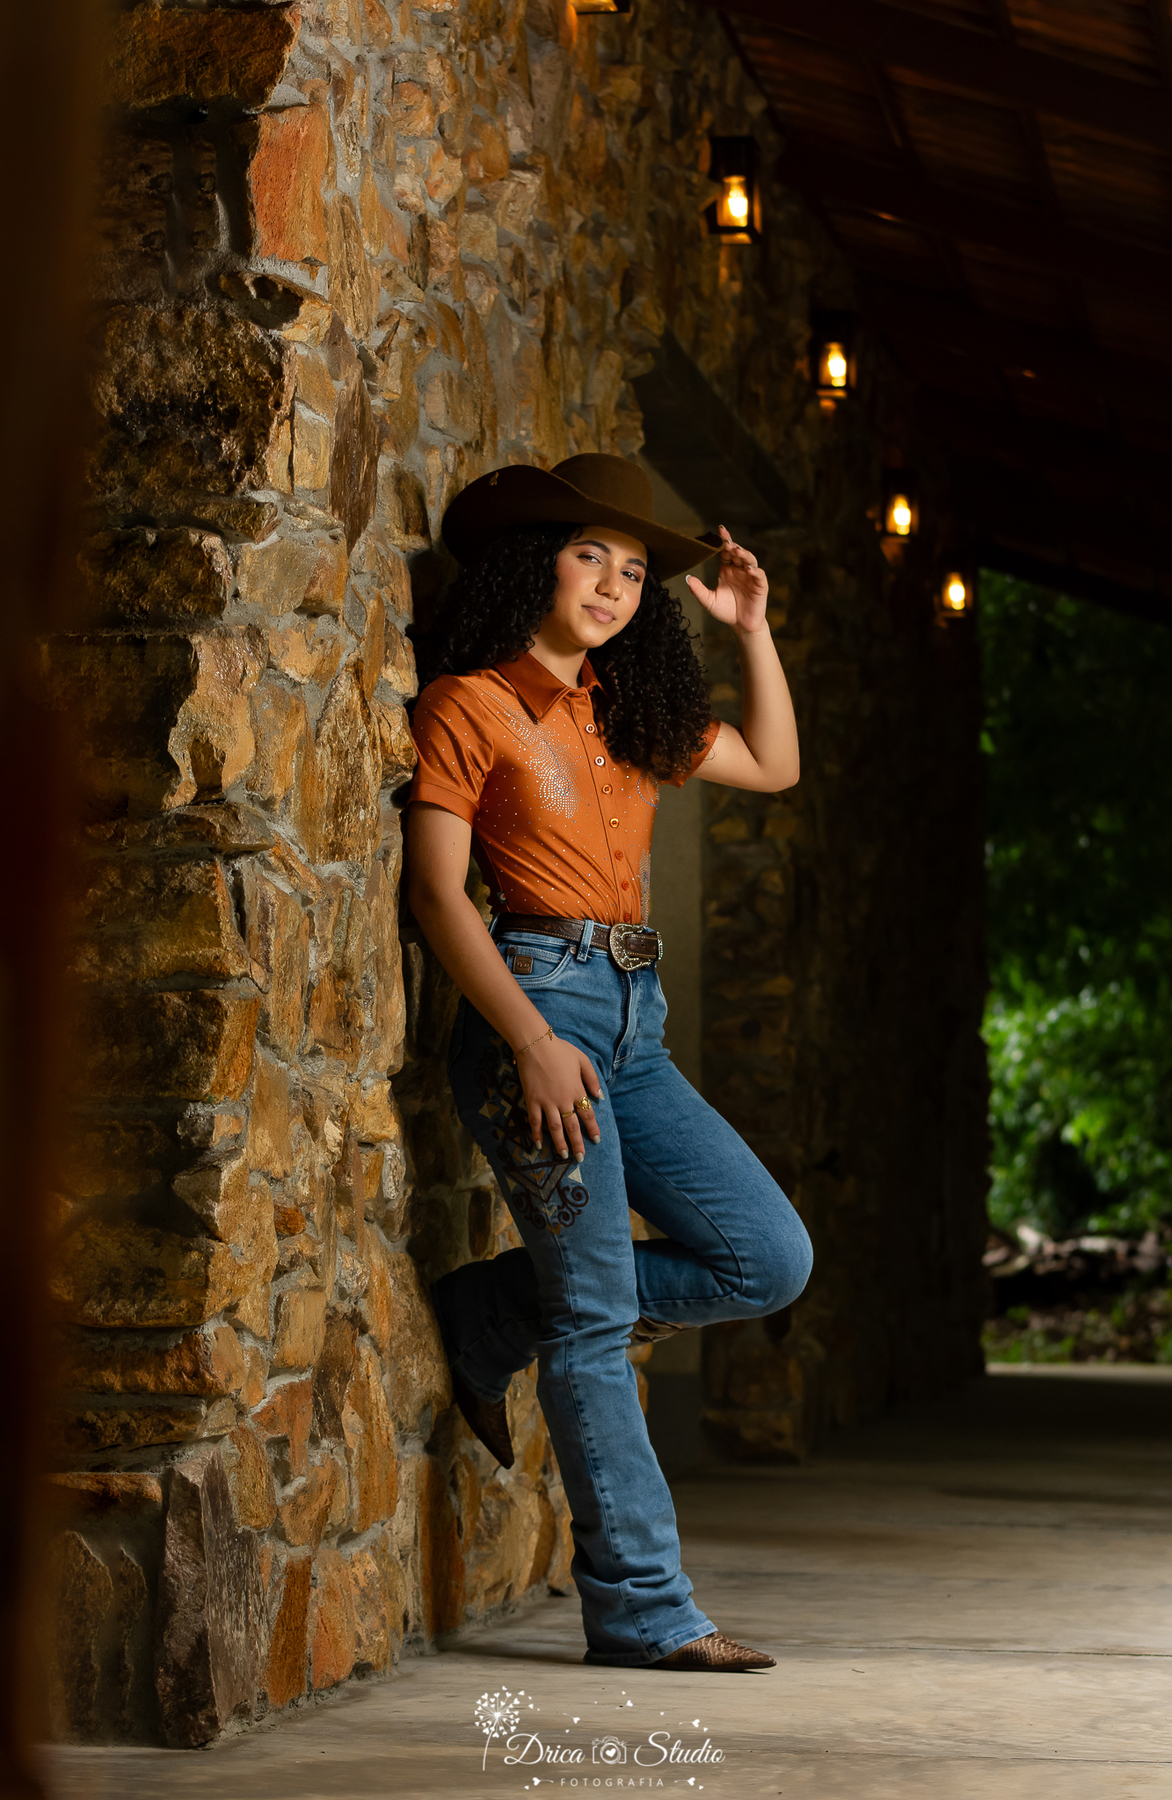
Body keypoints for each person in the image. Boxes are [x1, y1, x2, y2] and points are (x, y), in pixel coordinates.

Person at [406, 454, 812, 1673]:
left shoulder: (630, 713)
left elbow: (776, 765)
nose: (614, 587)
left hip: (638, 1022)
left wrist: (752, 629)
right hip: (538, 1010)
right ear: (536, 563)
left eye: (635, 572)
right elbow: (437, 894)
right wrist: (530, 1041)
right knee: (590, 1321)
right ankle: (644, 1612)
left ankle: (492, 1307)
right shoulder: (469, 706)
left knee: (768, 1257)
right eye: (591, 557)